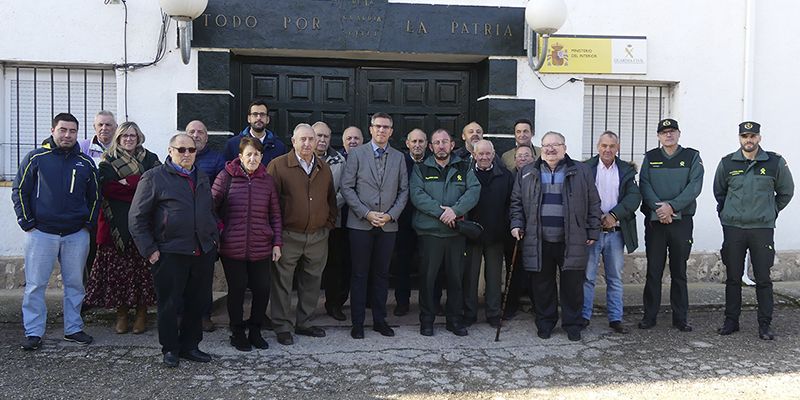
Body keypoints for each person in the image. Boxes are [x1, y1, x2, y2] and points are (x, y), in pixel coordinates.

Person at [129, 133, 219, 368]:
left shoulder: (202, 176)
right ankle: (170, 348)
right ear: (170, 151)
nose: (187, 154)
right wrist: (149, 250)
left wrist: (213, 241)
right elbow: (137, 218)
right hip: (170, 252)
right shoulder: (153, 178)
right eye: (181, 150)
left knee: (197, 302)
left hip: (201, 251)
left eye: (191, 150)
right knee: (169, 304)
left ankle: (190, 345)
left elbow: (209, 211)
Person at [13, 113, 100, 351]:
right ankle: (34, 332)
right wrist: (26, 221)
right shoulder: (36, 158)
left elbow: (95, 197)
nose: (67, 135)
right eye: (63, 130)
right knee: (35, 285)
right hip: (41, 233)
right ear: (53, 130)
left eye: (72, 131)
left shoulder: (85, 163)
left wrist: (88, 224)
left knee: (75, 284)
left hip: (75, 234)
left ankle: (73, 328)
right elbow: (20, 190)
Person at [509, 131, 601, 341]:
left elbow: (593, 202)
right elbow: (516, 203)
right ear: (541, 149)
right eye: (546, 145)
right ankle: (545, 323)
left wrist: (593, 230)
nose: (550, 149)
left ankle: (572, 324)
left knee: (572, 286)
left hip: (572, 238)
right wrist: (516, 224)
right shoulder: (527, 172)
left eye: (555, 145)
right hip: (538, 239)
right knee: (542, 286)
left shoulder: (582, 171)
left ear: (564, 148)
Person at [714, 121, 794, 340]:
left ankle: (765, 325)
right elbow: (719, 193)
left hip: (761, 229)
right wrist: (726, 214)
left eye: (752, 136)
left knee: (763, 278)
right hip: (734, 229)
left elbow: (786, 192)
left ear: (759, 137)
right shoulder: (727, 163)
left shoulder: (775, 162)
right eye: (744, 136)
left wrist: (770, 211)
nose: (748, 140)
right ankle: (731, 321)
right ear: (739, 138)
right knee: (733, 277)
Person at [84, 122, 161, 335]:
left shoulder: (150, 158)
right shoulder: (107, 160)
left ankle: (142, 313)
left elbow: (156, 184)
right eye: (124, 136)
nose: (128, 139)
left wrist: (131, 182)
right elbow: (108, 189)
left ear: (139, 137)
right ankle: (121, 314)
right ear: (118, 138)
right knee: (120, 275)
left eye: (132, 135)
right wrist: (140, 187)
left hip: (145, 224)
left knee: (143, 274)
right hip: (115, 226)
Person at [267, 123, 337, 346]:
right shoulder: (278, 166)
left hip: (317, 236)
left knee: (312, 281)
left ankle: (304, 322)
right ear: (293, 142)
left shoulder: (323, 167)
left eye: (311, 139)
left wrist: (327, 224)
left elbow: (331, 199)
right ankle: (282, 325)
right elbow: (269, 202)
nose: (307, 143)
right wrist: (275, 234)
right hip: (288, 235)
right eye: (303, 139)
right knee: (282, 282)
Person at [341, 112, 409, 339]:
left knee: (382, 275)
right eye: (378, 126)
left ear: (391, 131)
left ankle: (380, 320)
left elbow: (404, 191)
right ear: (370, 129)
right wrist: (367, 213)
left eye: (386, 127)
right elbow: (347, 187)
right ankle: (358, 323)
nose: (381, 130)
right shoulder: (356, 154)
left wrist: (390, 215)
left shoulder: (399, 157)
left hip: (388, 226)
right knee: (359, 274)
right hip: (360, 224)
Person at [212, 136, 282, 351]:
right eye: (249, 154)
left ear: (262, 156)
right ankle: (237, 331)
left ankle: (255, 330)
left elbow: (275, 214)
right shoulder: (225, 177)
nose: (253, 158)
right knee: (237, 289)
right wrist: (220, 230)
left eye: (257, 154)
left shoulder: (267, 180)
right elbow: (210, 207)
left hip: (261, 245)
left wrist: (277, 243)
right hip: (232, 246)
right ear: (240, 156)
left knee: (262, 289)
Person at [410, 128, 480, 337]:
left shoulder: (465, 167)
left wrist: (455, 211)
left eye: (445, 141)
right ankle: (427, 320)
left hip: (456, 235)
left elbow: (474, 191)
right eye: (437, 142)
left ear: (452, 145)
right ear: (431, 147)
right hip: (430, 234)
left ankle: (454, 320)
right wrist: (442, 213)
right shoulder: (420, 169)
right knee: (428, 280)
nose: (441, 146)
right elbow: (417, 195)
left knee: (456, 280)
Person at [638, 118, 704, 332]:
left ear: (679, 133)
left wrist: (672, 207)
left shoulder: (692, 156)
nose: (668, 135)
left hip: (681, 222)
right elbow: (644, 185)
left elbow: (694, 187)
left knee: (679, 271)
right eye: (664, 132)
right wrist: (660, 209)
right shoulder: (651, 157)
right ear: (658, 136)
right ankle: (649, 316)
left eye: (672, 131)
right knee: (653, 271)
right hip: (656, 222)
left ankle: (680, 318)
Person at [581, 131, 641, 334]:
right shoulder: (586, 168)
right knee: (587, 276)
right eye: (604, 145)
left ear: (618, 148)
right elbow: (579, 196)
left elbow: (634, 197)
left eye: (612, 146)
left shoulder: (626, 170)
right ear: (598, 146)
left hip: (616, 233)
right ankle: (584, 317)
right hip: (592, 232)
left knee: (614, 278)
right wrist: (596, 216)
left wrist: (614, 215)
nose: (607, 149)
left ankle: (616, 318)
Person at [463, 140, 513, 328]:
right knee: (470, 277)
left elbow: (511, 204)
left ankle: (493, 313)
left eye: (487, 154)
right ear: (474, 155)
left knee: (493, 278)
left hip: (496, 235)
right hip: (471, 234)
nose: (484, 157)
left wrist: (506, 226)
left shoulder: (505, 176)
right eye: (480, 154)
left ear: (493, 155)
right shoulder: (466, 174)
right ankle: (469, 313)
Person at [186, 119, 226, 332]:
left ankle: (204, 315)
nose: (196, 135)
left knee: (204, 275)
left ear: (207, 137)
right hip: (182, 227)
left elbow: (221, 192)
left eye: (200, 132)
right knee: (183, 275)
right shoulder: (176, 157)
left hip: (207, 225)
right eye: (191, 131)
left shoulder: (217, 159)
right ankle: (182, 315)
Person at [313, 121, 349, 322]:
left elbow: (345, 189)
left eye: (326, 136)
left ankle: (334, 304)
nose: (322, 139)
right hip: (308, 223)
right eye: (318, 135)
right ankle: (306, 307)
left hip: (334, 222)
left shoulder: (339, 161)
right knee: (309, 266)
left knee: (335, 265)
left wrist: (327, 209)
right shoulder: (302, 158)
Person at [78, 110, 117, 284]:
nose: (104, 128)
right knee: (89, 252)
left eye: (108, 124)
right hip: (89, 209)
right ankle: (89, 291)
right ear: (94, 127)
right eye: (100, 124)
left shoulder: (122, 148)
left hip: (114, 208)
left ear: (115, 127)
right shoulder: (82, 147)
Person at [393, 128, 427, 316]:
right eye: (414, 141)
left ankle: (430, 302)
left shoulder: (432, 163)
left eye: (421, 141)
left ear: (426, 144)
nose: (417, 145)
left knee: (429, 265)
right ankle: (402, 303)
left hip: (427, 221)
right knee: (402, 264)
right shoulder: (399, 162)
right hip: (403, 222)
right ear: (407, 143)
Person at [224, 99, 287, 166]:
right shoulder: (233, 144)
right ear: (249, 118)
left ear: (267, 119)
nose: (258, 118)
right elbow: (227, 170)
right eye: (255, 114)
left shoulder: (279, 147)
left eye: (262, 114)